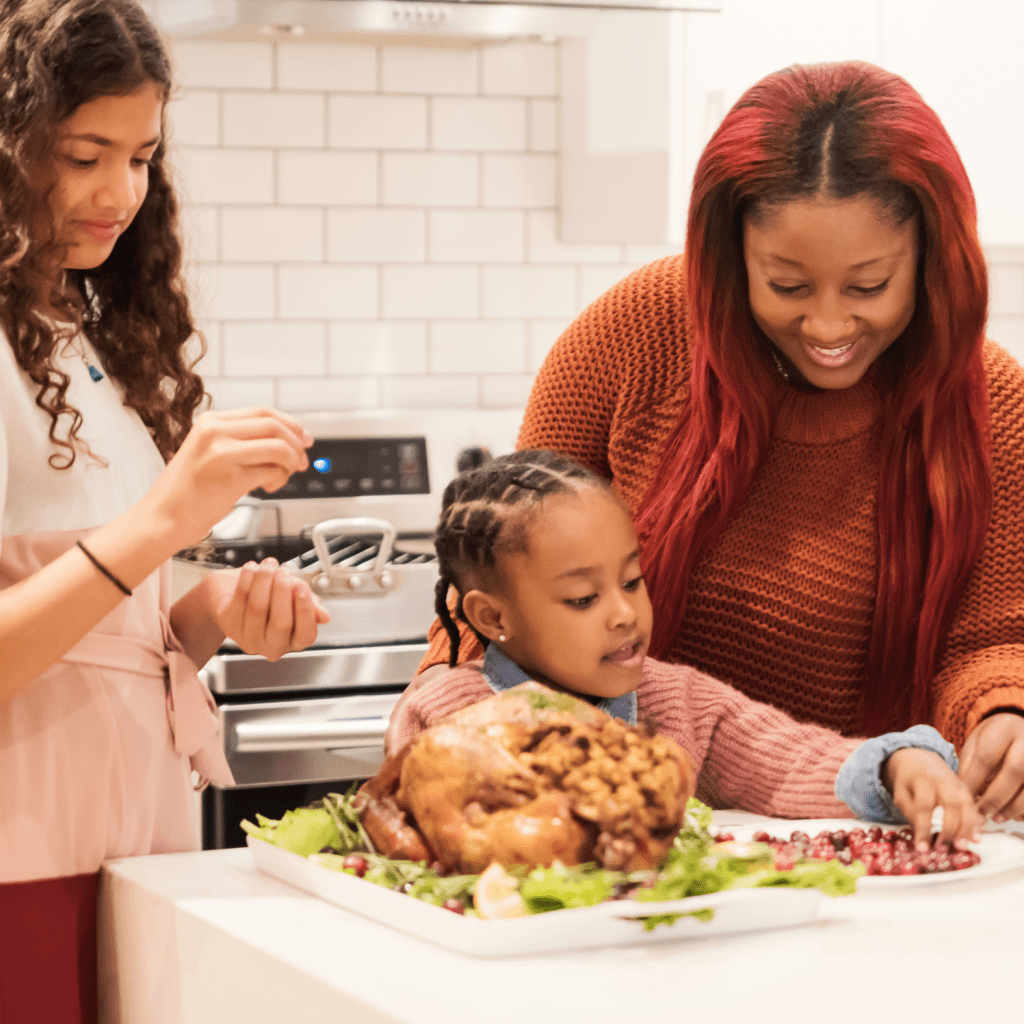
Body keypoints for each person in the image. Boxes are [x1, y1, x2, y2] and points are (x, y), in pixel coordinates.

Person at [392, 60, 1024, 826]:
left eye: (867, 287)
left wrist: (1003, 714)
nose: (827, 326)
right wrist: (444, 701)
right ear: (731, 254)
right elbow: (508, 567)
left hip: (855, 826)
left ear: (931, 259)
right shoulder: (630, 337)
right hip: (613, 824)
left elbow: (993, 639)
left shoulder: (990, 400)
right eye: (787, 286)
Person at [0, 3, 328, 1021]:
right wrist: (163, 518)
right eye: (83, 154)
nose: (120, 194)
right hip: (23, 846)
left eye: (141, 156)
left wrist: (209, 608)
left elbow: (99, 628)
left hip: (136, 834)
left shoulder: (77, 328)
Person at [388, 450, 982, 858]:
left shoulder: (679, 702)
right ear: (493, 618)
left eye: (631, 581)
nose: (623, 613)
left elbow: (793, 760)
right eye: (582, 598)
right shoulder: (448, 713)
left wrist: (897, 766)